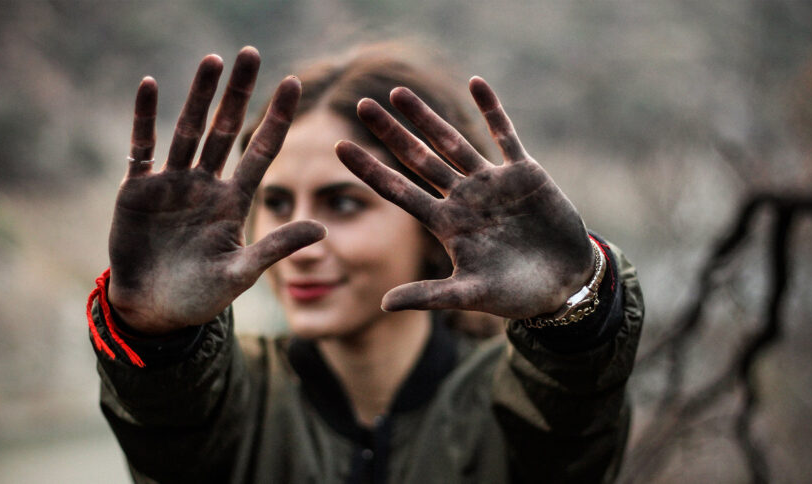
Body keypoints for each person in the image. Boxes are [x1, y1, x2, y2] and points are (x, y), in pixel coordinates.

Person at [87, 45, 644, 484]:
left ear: (435, 223)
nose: (298, 244)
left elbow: (574, 422)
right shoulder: (232, 406)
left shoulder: (511, 407)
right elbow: (168, 428)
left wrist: (577, 308)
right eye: (276, 203)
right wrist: (158, 336)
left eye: (343, 203)